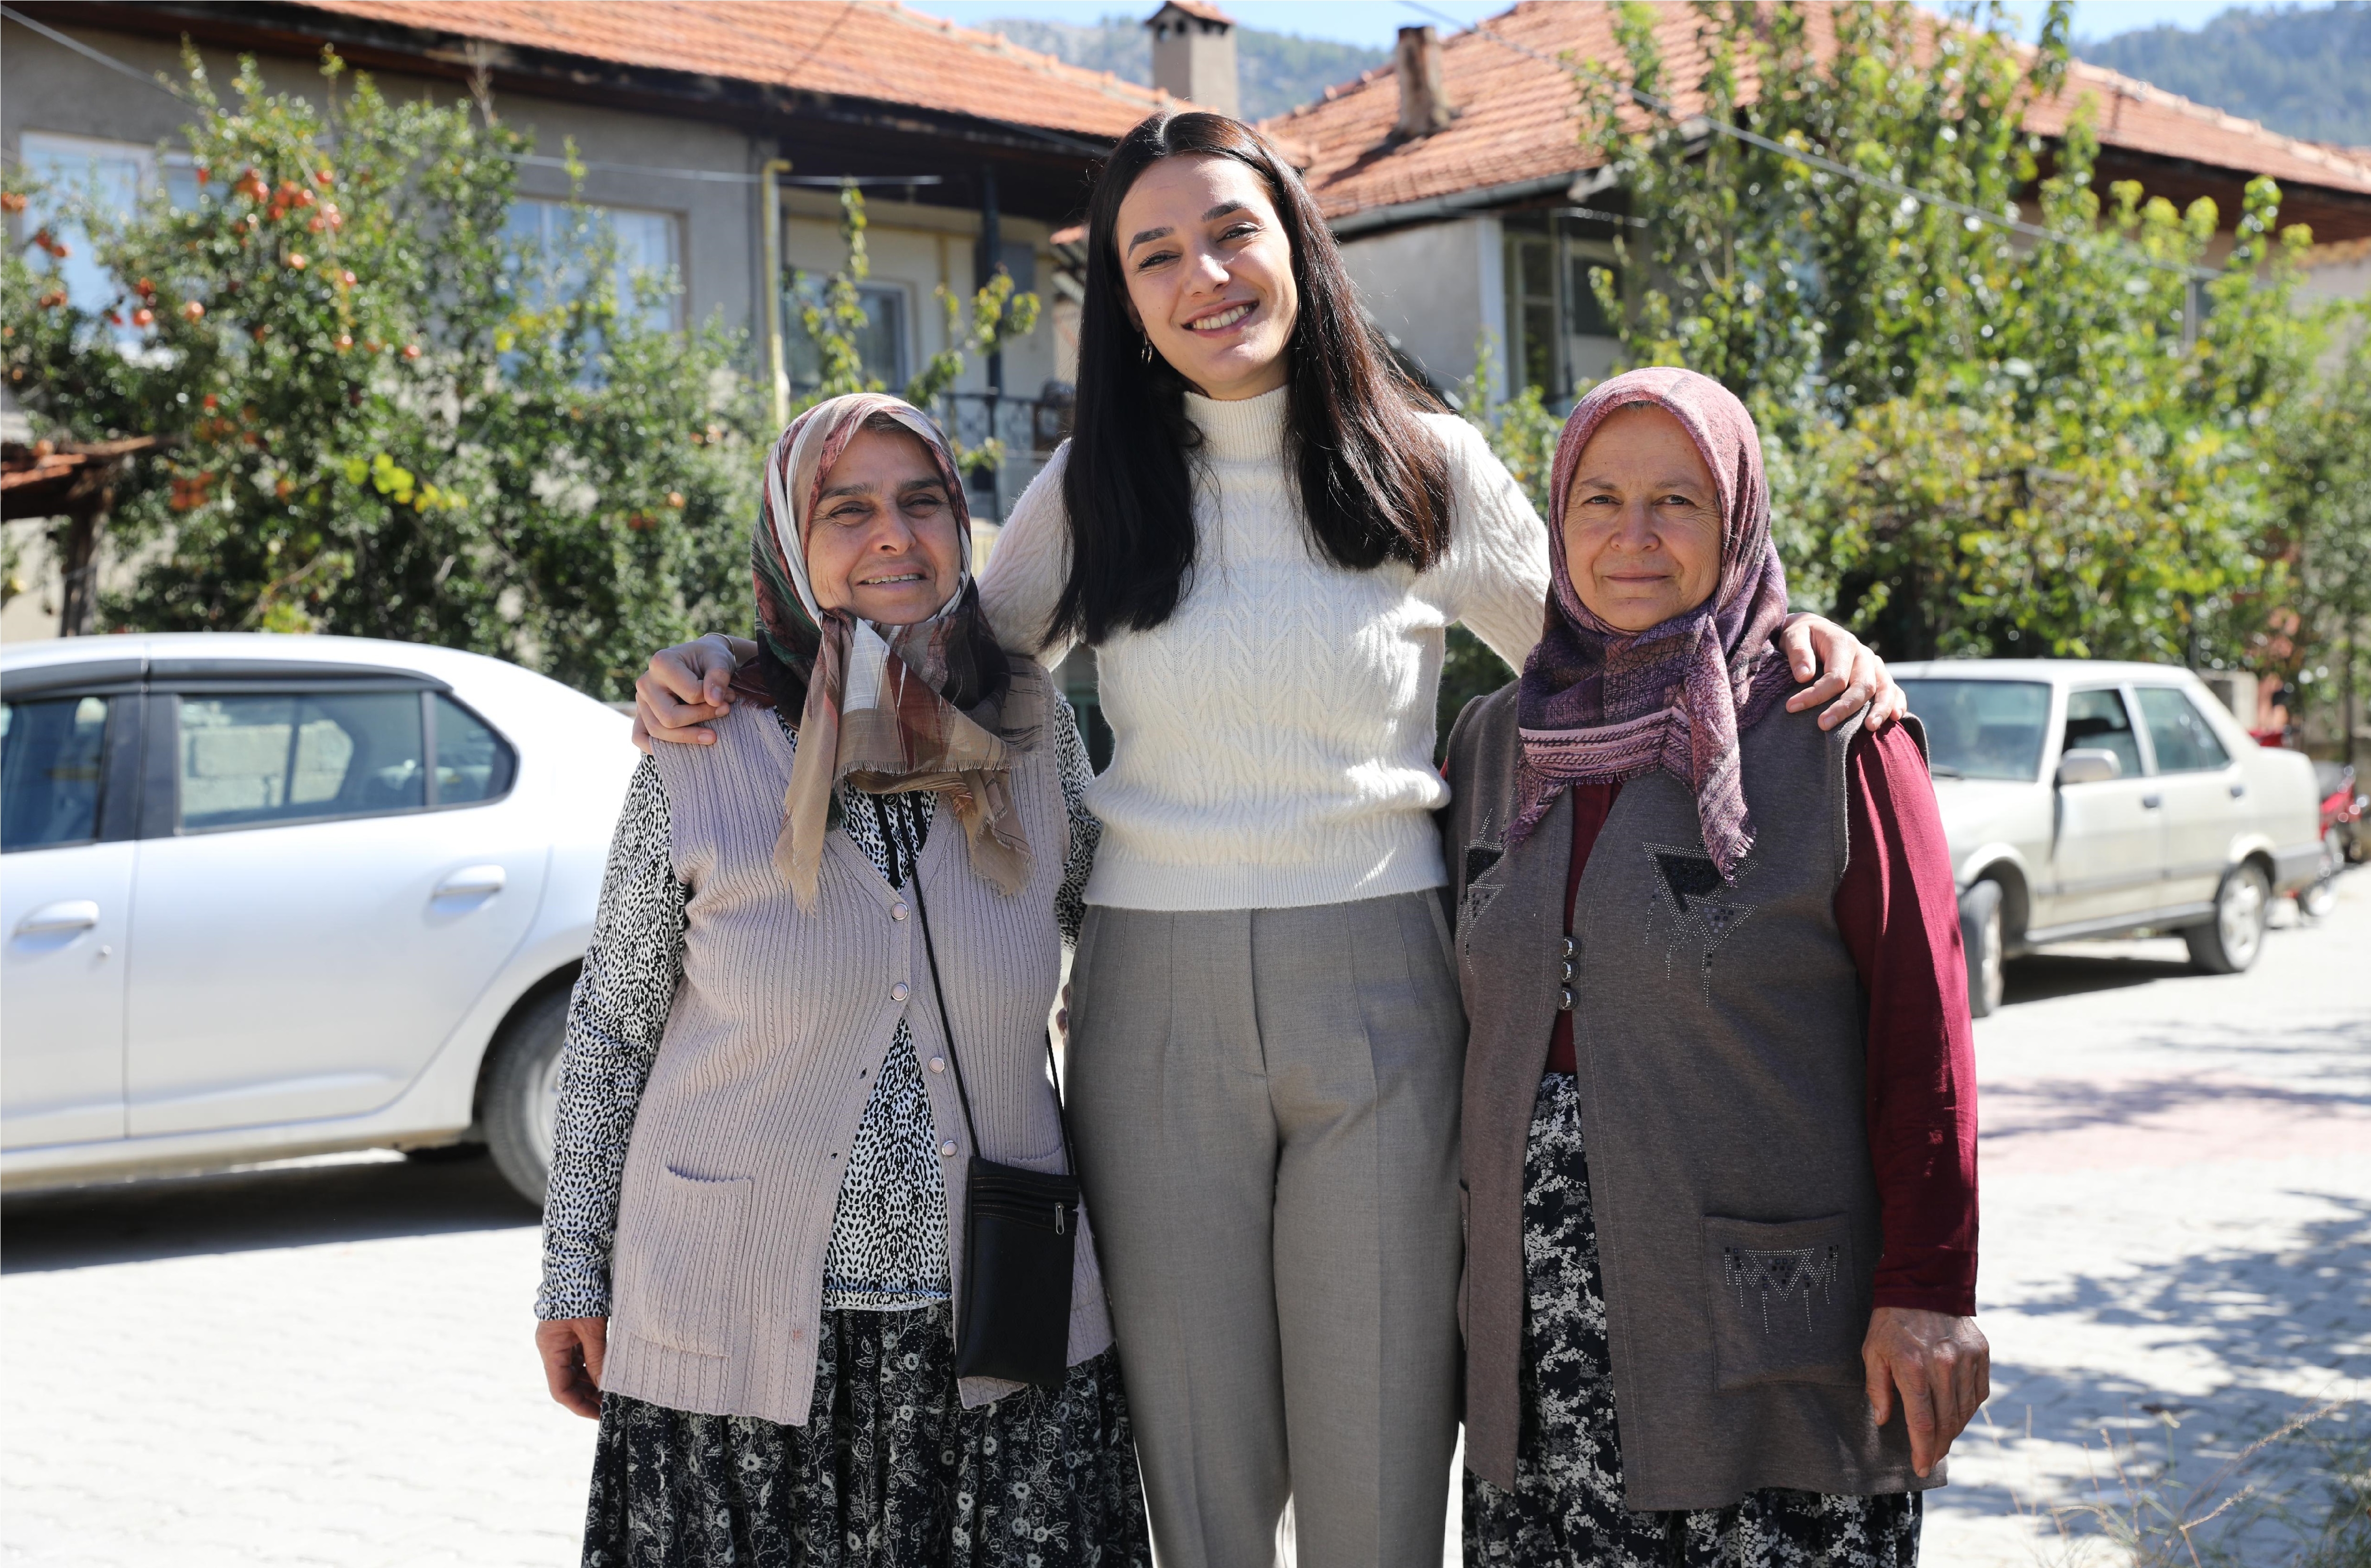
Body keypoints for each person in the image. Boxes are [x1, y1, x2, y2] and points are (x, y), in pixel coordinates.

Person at [630, 113, 1901, 1568]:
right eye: (1154, 253)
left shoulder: (1425, 468)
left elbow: (1632, 626)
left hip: (1385, 997)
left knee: (1377, 1474)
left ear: (1295, 240)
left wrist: (1800, 636)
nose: (1204, 275)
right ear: (1124, 296)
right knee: (1204, 1481)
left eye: (1231, 230)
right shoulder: (1093, 492)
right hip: (1148, 1012)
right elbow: (919, 663)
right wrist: (724, 663)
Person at [532, 393, 1150, 1568]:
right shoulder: (702, 744)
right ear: (786, 540)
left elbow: (1130, 962)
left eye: (922, 502)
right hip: (735, 1330)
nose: (892, 535)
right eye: (846, 507)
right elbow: (612, 1028)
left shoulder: (1031, 734)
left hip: (999, 1331)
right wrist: (572, 1269)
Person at [1438, 368, 1986, 1568]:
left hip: (1766, 1343)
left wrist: (1930, 1287)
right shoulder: (1493, 741)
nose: (1632, 538)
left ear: (1735, 521)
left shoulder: (1828, 726)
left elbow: (1923, 1027)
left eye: (1676, 501)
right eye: (1599, 499)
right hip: (1539, 1356)